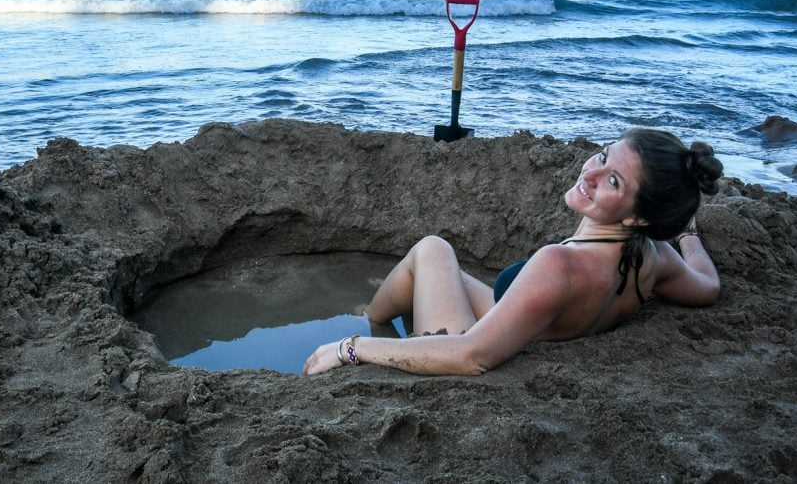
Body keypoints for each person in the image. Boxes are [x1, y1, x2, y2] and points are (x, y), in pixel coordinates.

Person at [303, 128, 724, 376]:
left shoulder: (559, 265)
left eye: (613, 181)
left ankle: (372, 324)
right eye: (602, 155)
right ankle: (381, 310)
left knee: (431, 248)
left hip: (474, 353)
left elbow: (471, 356)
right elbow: (707, 288)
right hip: (534, 325)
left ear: (636, 218)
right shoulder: (653, 258)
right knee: (435, 259)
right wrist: (687, 235)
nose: (590, 173)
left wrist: (351, 348)